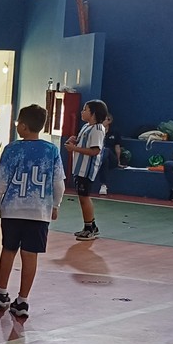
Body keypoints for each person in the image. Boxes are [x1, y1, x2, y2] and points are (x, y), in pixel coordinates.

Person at [0, 104, 65, 318]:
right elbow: (59, 183)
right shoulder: (52, 151)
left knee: (8, 250)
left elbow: (0, 181)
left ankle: (1, 293)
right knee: (30, 255)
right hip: (39, 212)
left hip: (12, 210)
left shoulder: (11, 149)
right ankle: (22, 301)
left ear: (23, 126)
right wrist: (55, 205)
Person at [63, 99, 109, 241]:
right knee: (82, 197)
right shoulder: (86, 127)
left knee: (84, 197)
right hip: (79, 168)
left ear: (94, 113)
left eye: (85, 110)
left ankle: (89, 228)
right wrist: (75, 141)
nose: (82, 112)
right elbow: (85, 143)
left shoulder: (97, 129)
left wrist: (74, 149)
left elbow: (95, 151)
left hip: (86, 169)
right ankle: (91, 225)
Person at [91, 114, 121, 195]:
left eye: (104, 119)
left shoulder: (114, 132)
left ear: (109, 121)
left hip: (112, 158)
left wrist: (118, 161)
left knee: (106, 150)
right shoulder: (97, 132)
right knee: (105, 161)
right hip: (100, 158)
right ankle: (103, 185)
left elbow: (117, 148)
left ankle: (98, 162)